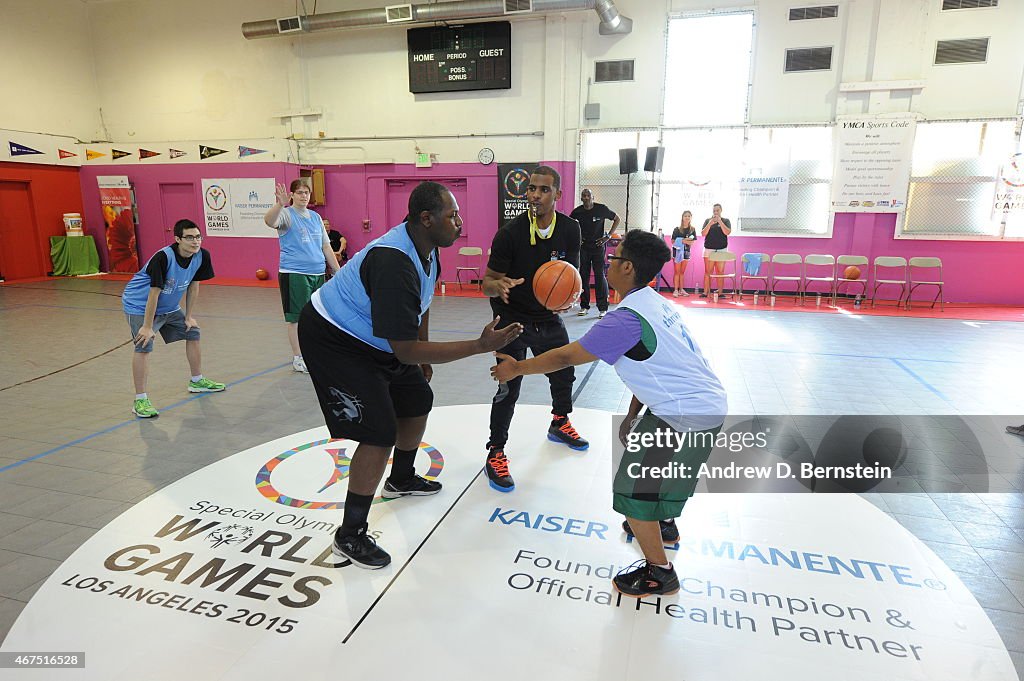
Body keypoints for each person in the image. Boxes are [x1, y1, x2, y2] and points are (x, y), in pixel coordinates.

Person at [298, 181, 522, 569]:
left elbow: (421, 304)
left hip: (376, 338)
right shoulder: (393, 261)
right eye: (453, 216)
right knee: (379, 431)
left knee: (418, 398)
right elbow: (403, 349)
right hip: (334, 338)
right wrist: (477, 345)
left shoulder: (427, 249)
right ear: (426, 218)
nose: (460, 222)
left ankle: (401, 478)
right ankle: (349, 535)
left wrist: (426, 353)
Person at [491, 230, 727, 597]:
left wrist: (517, 369)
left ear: (628, 267)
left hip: (682, 415)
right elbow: (655, 362)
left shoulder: (624, 320)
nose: (608, 263)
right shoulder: (654, 302)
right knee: (659, 477)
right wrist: (633, 412)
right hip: (704, 406)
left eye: (614, 259)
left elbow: (567, 356)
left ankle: (659, 572)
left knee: (632, 492)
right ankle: (664, 525)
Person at [482, 166, 587, 493]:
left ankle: (560, 421)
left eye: (543, 190)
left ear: (557, 194)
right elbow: (486, 282)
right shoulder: (510, 233)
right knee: (508, 386)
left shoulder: (571, 230)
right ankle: (496, 451)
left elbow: (572, 275)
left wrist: (570, 296)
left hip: (546, 317)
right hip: (511, 319)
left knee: (563, 371)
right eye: (531, 189)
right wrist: (498, 285)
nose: (535, 195)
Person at [121, 219, 225, 418]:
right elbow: (154, 293)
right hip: (139, 305)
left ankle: (197, 381)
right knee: (144, 344)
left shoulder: (202, 256)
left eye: (198, 237)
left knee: (193, 332)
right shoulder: (163, 258)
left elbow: (194, 285)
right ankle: (140, 400)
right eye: (189, 238)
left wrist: (188, 316)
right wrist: (147, 326)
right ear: (178, 239)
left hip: (168, 306)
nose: (195, 242)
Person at [264, 180, 340, 374]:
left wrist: (338, 271)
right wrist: (280, 204)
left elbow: (325, 246)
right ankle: (298, 357)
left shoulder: (315, 217)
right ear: (292, 195)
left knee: (316, 316)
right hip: (295, 273)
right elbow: (269, 221)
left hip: (317, 273)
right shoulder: (286, 215)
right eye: (299, 192)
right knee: (296, 318)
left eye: (306, 192)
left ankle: (314, 352)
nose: (304, 196)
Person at [569, 188, 620, 318]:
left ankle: (602, 308)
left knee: (599, 276)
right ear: (581, 198)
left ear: (593, 197)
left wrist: (608, 236)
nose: (586, 197)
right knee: (583, 276)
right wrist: (577, 238)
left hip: (598, 247)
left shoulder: (601, 209)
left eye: (588, 195)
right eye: (583, 195)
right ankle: (584, 306)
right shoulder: (577, 212)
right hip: (584, 248)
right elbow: (569, 225)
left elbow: (617, 219)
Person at [701, 203, 731, 298]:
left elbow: (727, 232)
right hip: (709, 249)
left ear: (721, 210)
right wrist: (710, 223)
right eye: (714, 210)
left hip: (721, 249)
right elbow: (703, 233)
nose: (715, 212)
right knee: (708, 271)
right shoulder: (707, 220)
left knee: (720, 271)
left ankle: (720, 292)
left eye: (717, 210)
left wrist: (720, 222)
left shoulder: (726, 221)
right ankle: (706, 292)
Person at [671, 210, 696, 297]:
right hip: (677, 252)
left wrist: (685, 241)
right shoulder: (677, 229)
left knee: (682, 272)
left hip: (686, 252)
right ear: (682, 217)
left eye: (689, 216)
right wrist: (683, 240)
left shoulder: (692, 229)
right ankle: (675, 290)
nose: (687, 217)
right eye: (685, 216)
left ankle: (681, 289)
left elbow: (692, 242)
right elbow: (673, 241)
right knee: (677, 272)